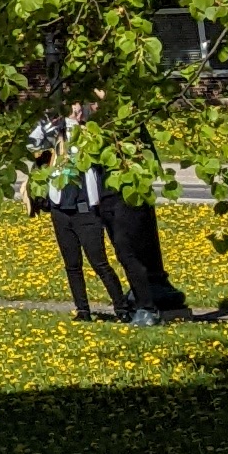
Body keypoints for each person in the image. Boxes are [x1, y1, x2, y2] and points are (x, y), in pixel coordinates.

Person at [26, 115, 133, 323]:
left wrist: (75, 123)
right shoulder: (57, 138)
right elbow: (33, 143)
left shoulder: (87, 138)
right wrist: (48, 122)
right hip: (60, 210)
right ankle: (82, 310)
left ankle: (121, 308)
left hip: (85, 211)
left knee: (99, 263)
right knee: (72, 264)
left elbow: (92, 148)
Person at [101, 171, 193, 318]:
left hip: (125, 195)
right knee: (123, 252)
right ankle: (144, 297)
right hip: (107, 196)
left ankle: (147, 305)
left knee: (127, 253)